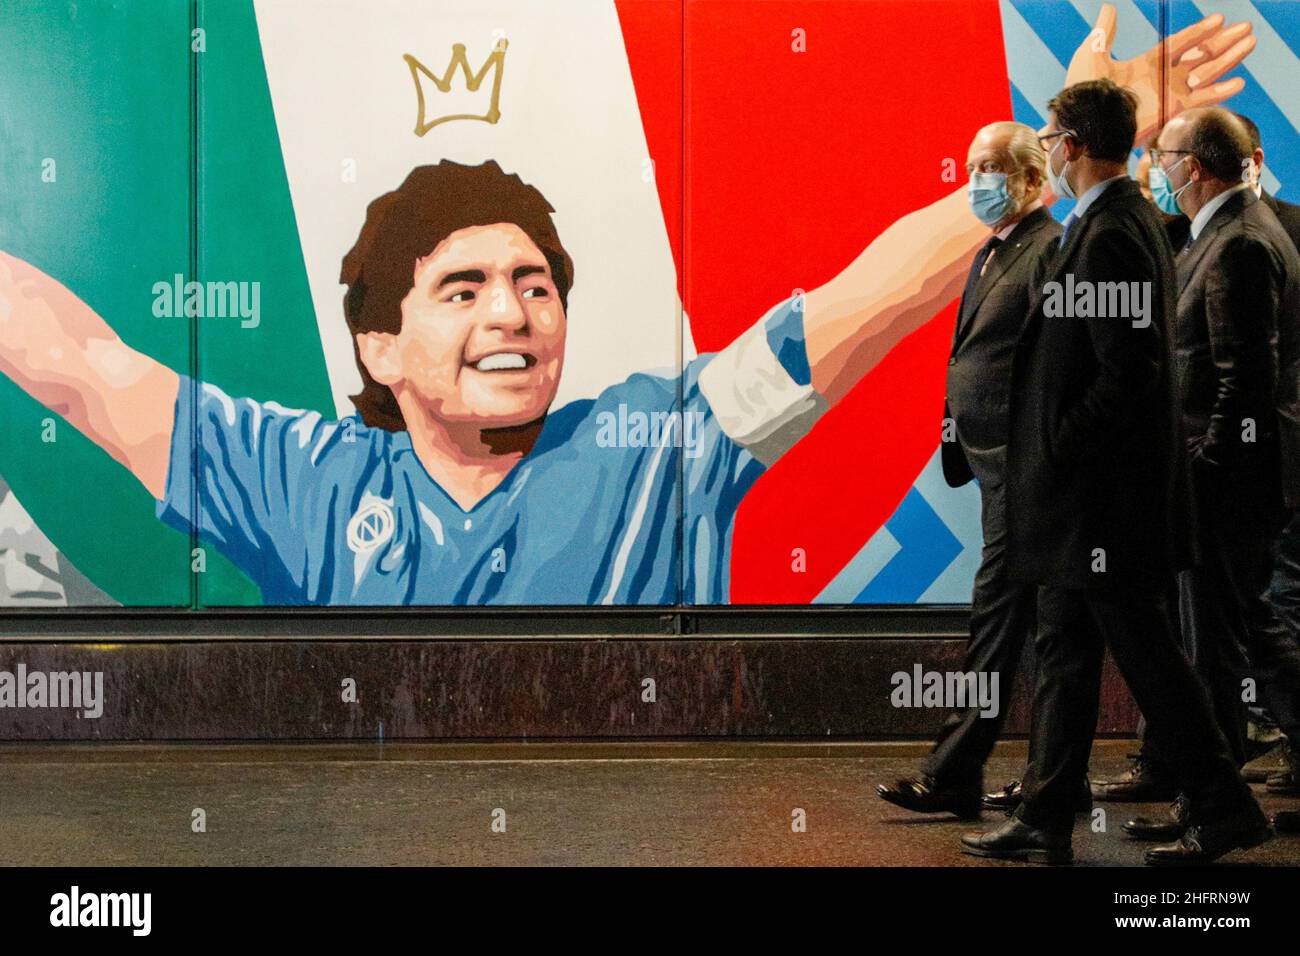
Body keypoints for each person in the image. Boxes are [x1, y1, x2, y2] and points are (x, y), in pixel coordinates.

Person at [960, 80, 1267, 865]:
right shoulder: (1101, 225)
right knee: (1065, 649)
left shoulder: (1116, 232)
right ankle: (1045, 811)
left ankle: (1225, 805)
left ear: (1069, 143)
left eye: (1049, 134)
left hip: (1103, 504)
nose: (1048, 145)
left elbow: (1125, 372)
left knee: (1150, 657)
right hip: (1082, 505)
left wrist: (1059, 445)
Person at [877, 122, 1068, 820]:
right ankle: (1048, 778)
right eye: (970, 165)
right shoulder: (996, 250)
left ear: (1029, 178)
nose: (978, 180)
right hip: (996, 467)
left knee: (1005, 621)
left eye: (993, 167)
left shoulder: (1049, 250)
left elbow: (1057, 367)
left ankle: (955, 772)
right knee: (1045, 628)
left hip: (1025, 471)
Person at [1118, 109, 1300, 843]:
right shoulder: (1219, 234)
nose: (1154, 170)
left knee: (1248, 633)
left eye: (1161, 157)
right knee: (1226, 643)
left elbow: (1241, 380)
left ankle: (1217, 806)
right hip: (1226, 479)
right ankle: (1213, 801)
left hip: (1229, 484)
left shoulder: (1242, 244)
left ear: (1194, 166)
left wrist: (1205, 470)